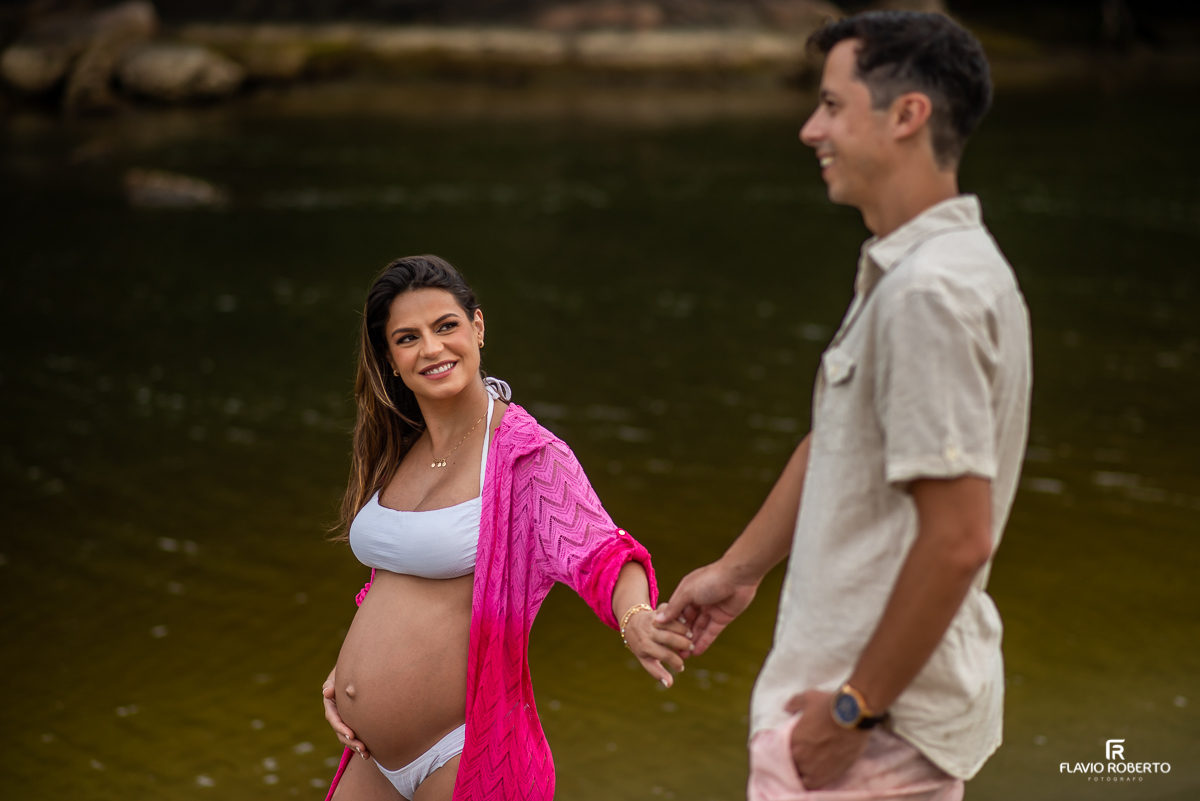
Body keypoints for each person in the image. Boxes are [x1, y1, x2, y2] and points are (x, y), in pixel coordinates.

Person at [657, 11, 1031, 800]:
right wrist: (737, 570)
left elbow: (959, 538)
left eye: (831, 104)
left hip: (868, 735)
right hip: (870, 721)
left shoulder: (930, 293)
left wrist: (854, 710)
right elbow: (836, 439)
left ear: (907, 115)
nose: (808, 129)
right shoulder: (928, 267)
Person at [319, 255, 691, 801]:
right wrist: (349, 673)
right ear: (390, 360)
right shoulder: (398, 448)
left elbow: (602, 553)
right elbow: (397, 579)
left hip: (465, 747)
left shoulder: (527, 456)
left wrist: (634, 616)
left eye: (446, 326)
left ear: (478, 326)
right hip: (371, 756)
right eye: (408, 338)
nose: (432, 349)